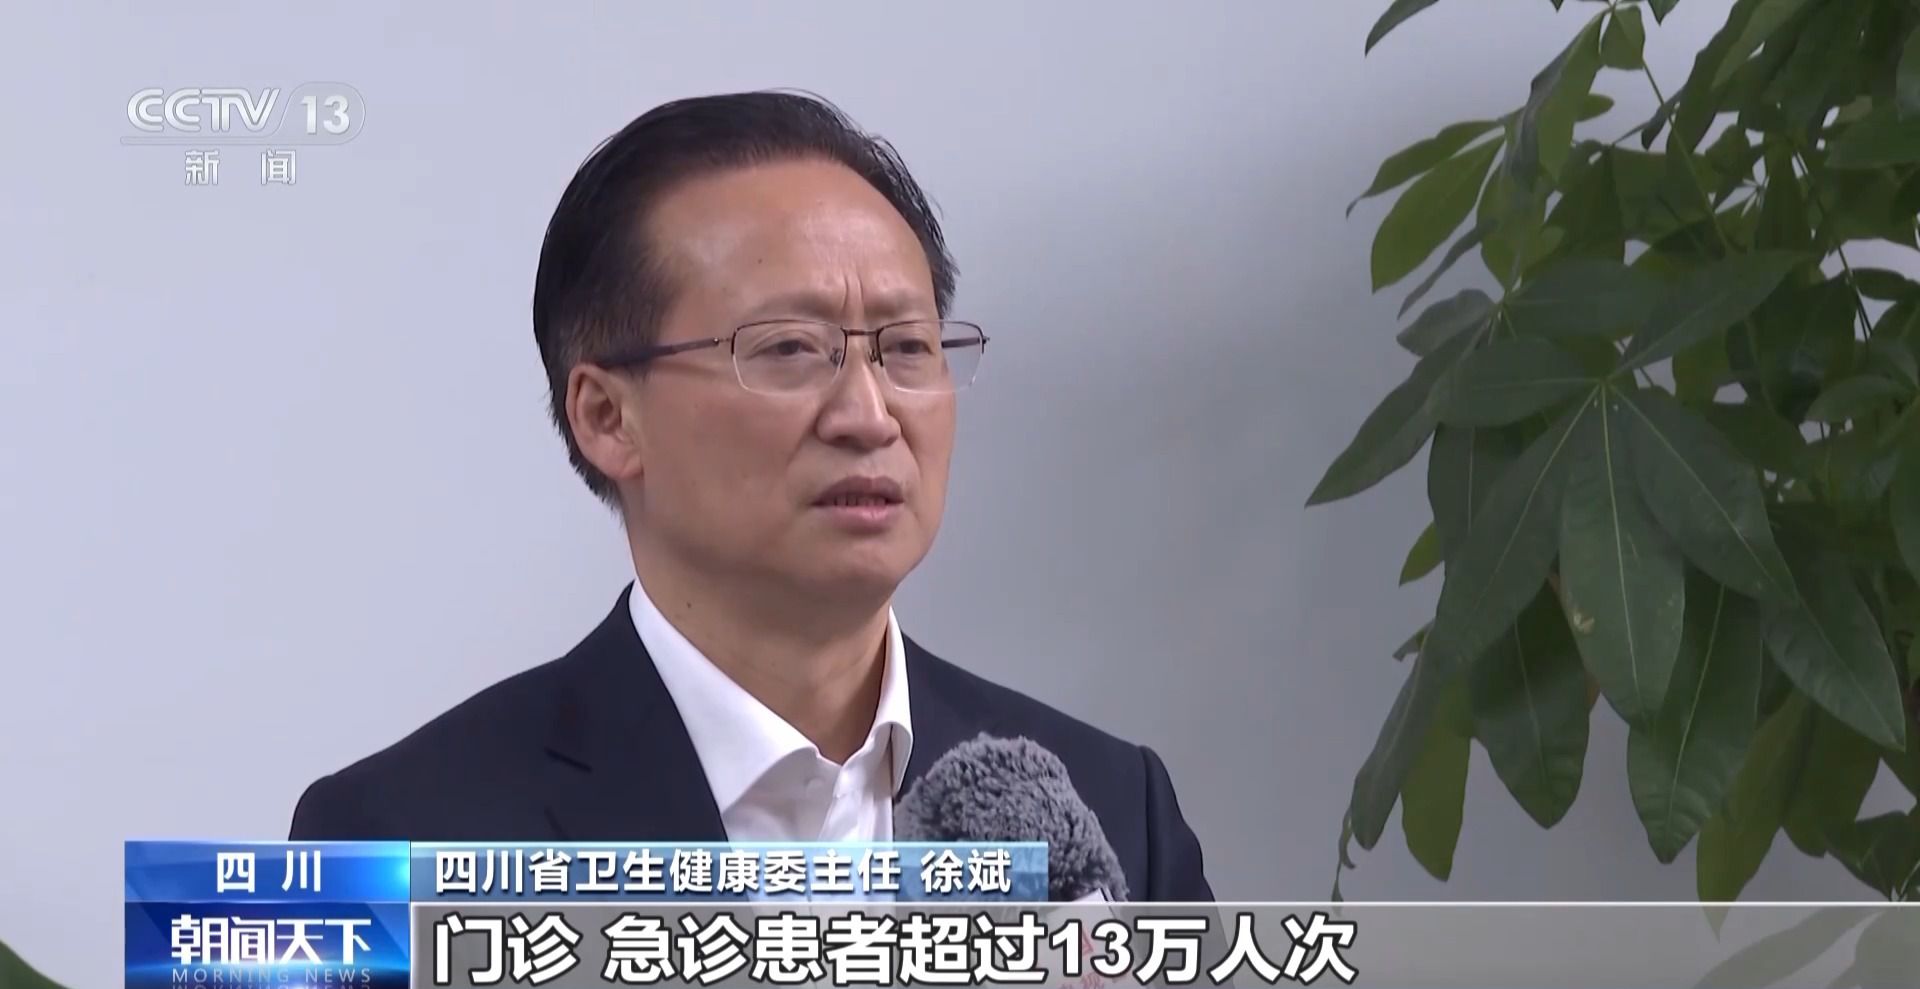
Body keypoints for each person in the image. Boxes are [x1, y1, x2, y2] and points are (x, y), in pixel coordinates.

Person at [288, 91, 1213, 900]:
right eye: (789, 349)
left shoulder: (1106, 806)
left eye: (906, 348)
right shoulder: (397, 837)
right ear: (608, 417)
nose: (869, 415)